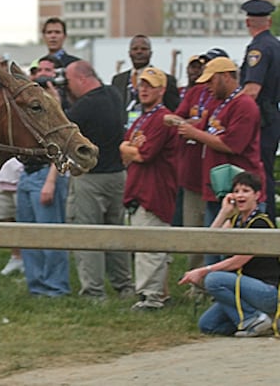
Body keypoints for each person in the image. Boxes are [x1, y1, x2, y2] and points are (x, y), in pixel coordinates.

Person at [176, 57, 264, 266]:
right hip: (217, 190)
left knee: (230, 252)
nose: (207, 87)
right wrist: (183, 124)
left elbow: (231, 145)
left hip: (239, 190)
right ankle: (208, 291)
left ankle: (230, 292)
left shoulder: (245, 105)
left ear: (226, 77)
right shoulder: (218, 103)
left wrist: (193, 133)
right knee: (211, 246)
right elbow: (202, 126)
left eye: (211, 81)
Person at [64, 60, 135, 300]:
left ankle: (93, 291)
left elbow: (63, 128)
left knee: (87, 236)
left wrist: (54, 100)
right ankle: (124, 286)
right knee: (116, 233)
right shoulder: (114, 95)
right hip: (117, 175)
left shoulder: (84, 106)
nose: (68, 86)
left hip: (90, 178)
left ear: (82, 79)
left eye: (69, 81)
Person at [179, 171, 280, 337]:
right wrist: (224, 212)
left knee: (214, 279)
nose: (240, 195)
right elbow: (209, 243)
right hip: (242, 289)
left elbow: (236, 262)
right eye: (237, 191)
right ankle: (262, 323)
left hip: (267, 291)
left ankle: (252, 318)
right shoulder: (235, 221)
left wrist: (203, 271)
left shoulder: (260, 222)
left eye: (246, 191)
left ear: (257, 195)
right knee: (208, 325)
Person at [119, 67, 178, 310]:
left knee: (150, 244)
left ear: (161, 90)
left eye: (150, 85)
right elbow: (127, 149)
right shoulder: (143, 117)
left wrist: (126, 148)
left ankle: (151, 298)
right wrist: (127, 149)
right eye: (141, 85)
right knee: (142, 244)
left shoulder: (162, 118)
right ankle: (155, 293)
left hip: (156, 189)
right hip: (138, 187)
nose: (144, 89)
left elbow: (144, 155)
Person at [163, 48, 224, 275]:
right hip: (191, 173)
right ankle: (196, 280)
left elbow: (215, 131)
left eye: (208, 65)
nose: (203, 70)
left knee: (217, 230)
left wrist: (192, 127)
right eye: (200, 65)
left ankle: (216, 277)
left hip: (216, 176)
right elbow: (173, 119)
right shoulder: (195, 92)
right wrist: (190, 124)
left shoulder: (225, 98)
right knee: (193, 230)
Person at [14, 56, 71, 296]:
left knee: (50, 234)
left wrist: (51, 181)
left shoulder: (61, 107)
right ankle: (36, 285)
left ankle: (56, 287)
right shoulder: (30, 107)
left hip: (47, 175)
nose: (43, 75)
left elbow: (64, 147)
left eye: (49, 71)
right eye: (38, 71)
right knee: (28, 235)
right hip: (26, 175)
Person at [238, 0, 280, 222]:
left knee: (258, 173)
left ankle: (262, 221)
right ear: (270, 21)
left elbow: (252, 90)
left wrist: (231, 112)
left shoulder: (259, 48)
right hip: (272, 113)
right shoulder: (275, 45)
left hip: (260, 118)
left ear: (247, 22)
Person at [111, 34, 180, 129]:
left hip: (153, 131)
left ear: (150, 53)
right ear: (129, 53)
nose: (139, 52)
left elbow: (173, 110)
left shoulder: (165, 79)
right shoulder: (118, 80)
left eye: (143, 49)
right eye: (135, 49)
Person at [0, 158, 25, 277]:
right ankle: (17, 257)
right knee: (2, 217)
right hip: (1, 177)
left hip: (26, 175)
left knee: (26, 223)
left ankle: (31, 262)